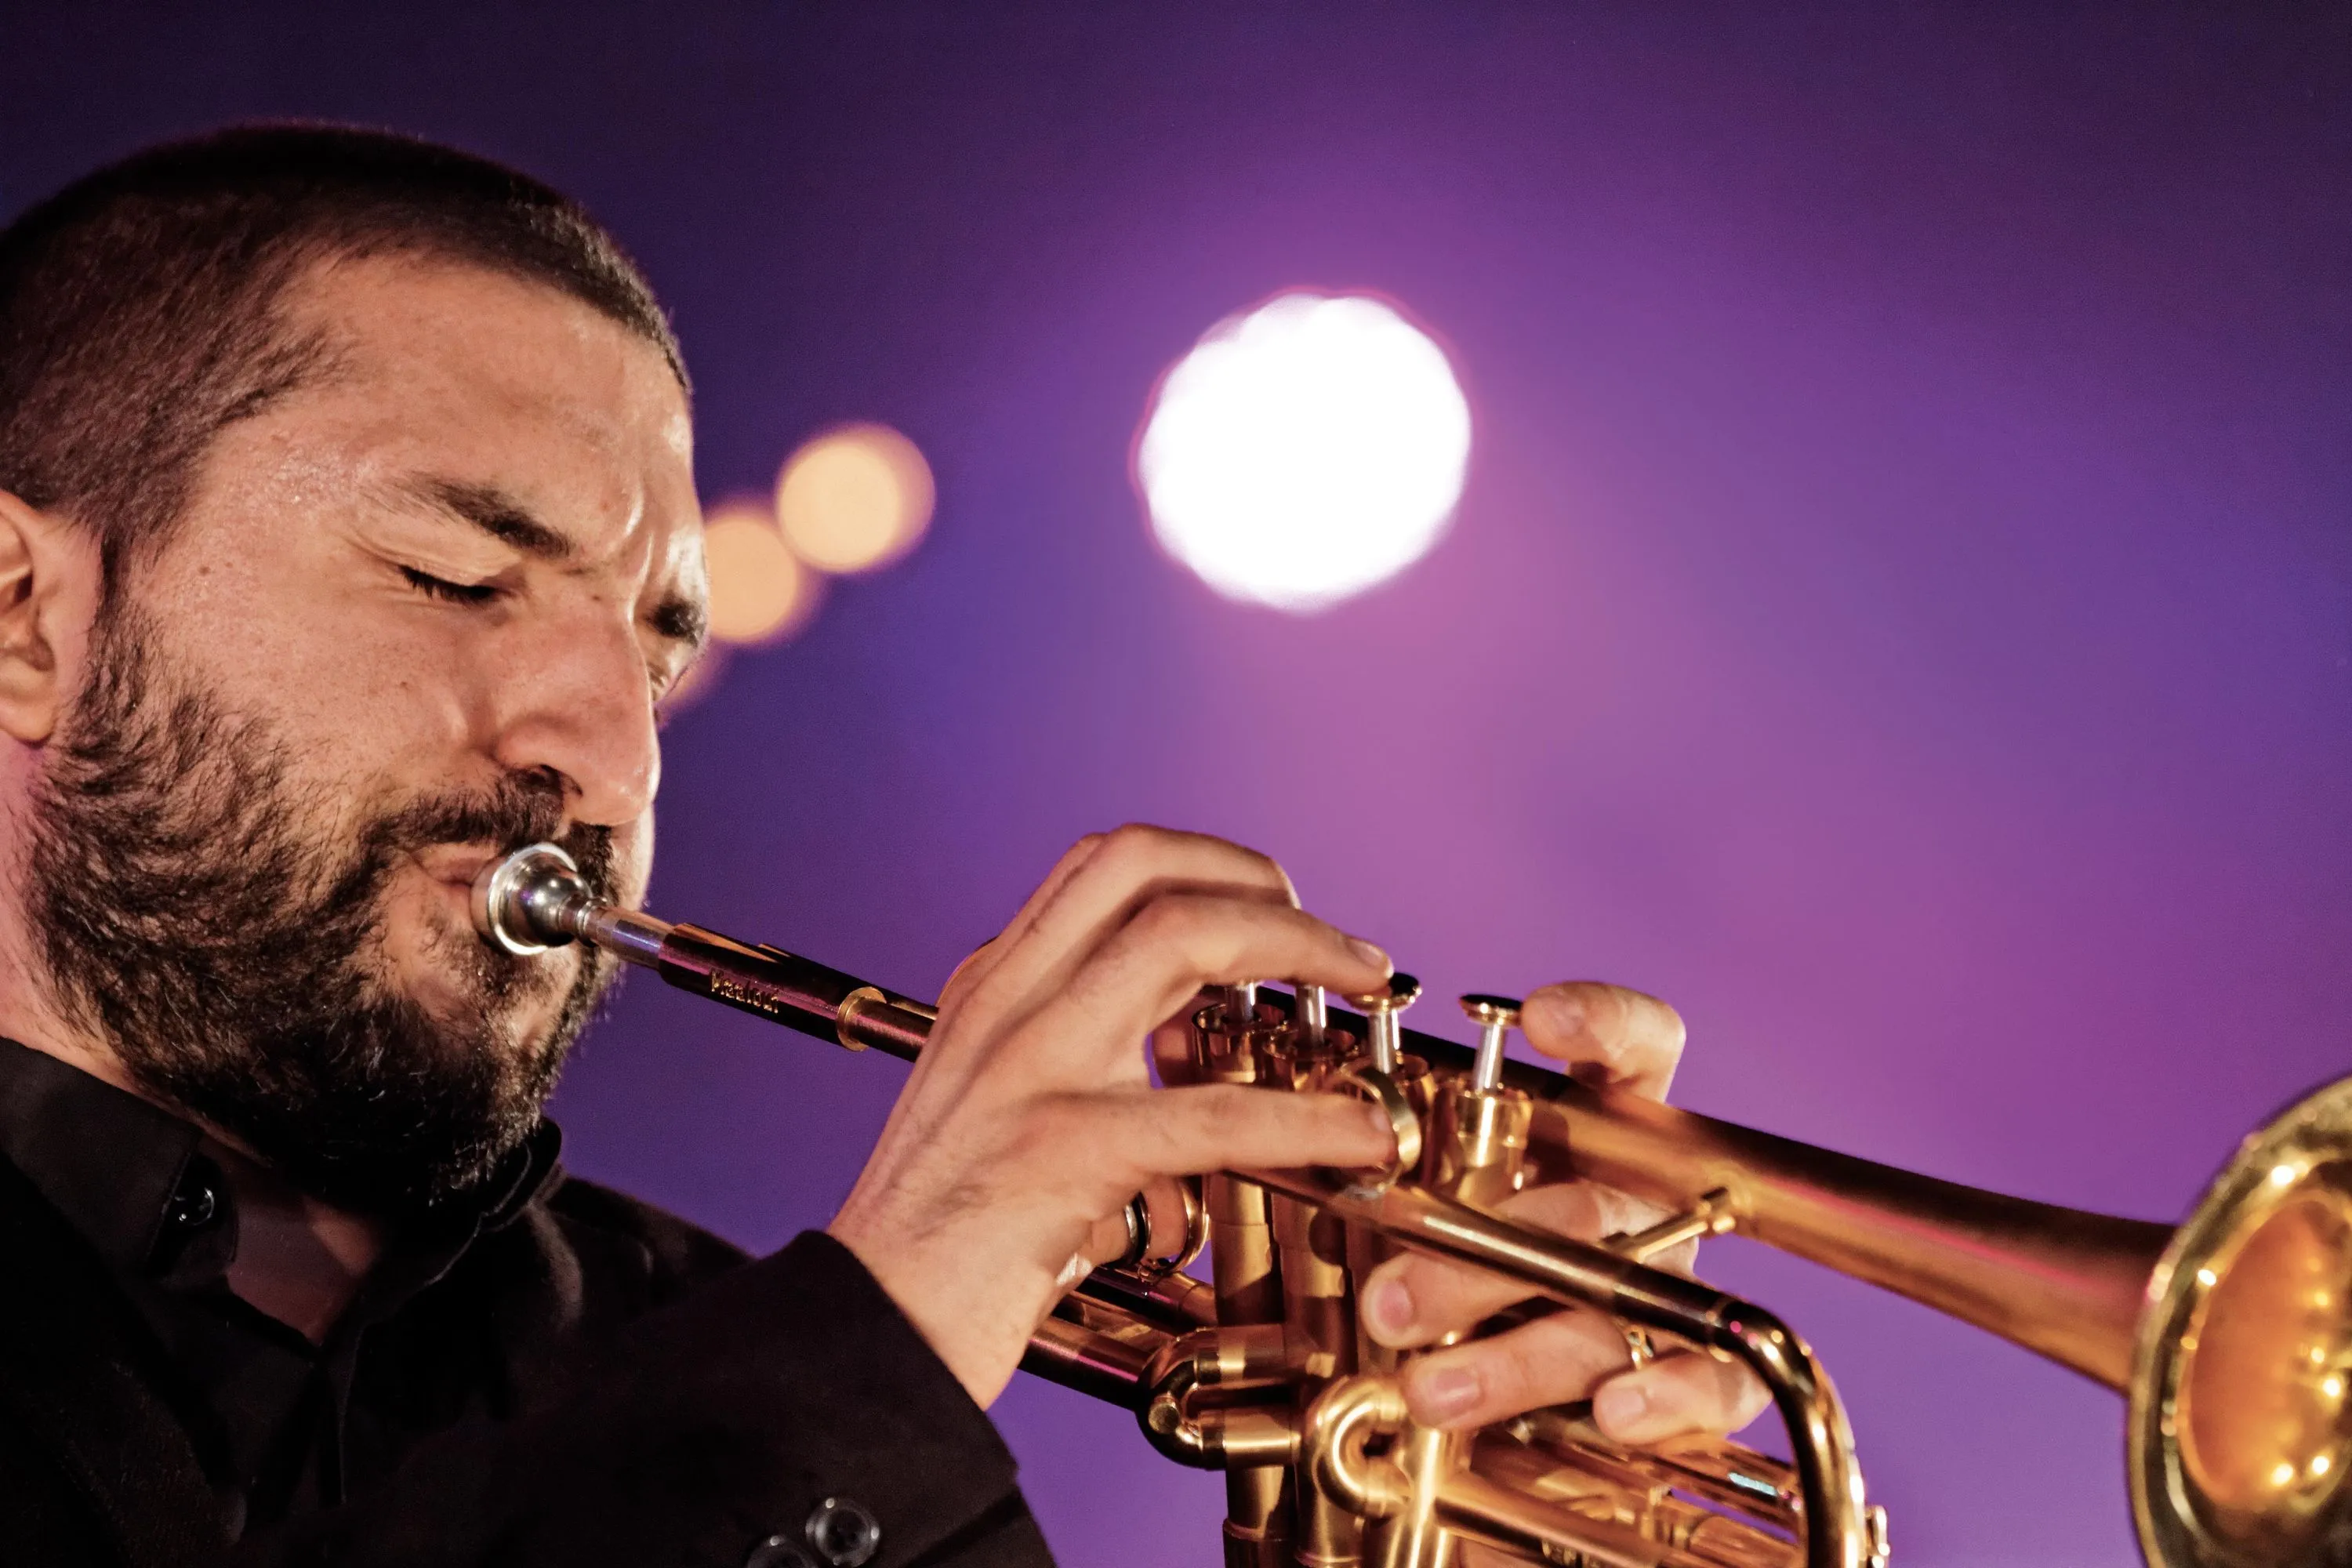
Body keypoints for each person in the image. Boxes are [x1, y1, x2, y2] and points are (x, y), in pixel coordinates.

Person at [0, 125, 1764, 1568]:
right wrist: (878, 1339)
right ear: (23, 616)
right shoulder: (821, 1387)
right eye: (455, 578)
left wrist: (1446, 1504)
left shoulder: (718, 1358)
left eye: (659, 653)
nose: (611, 758)